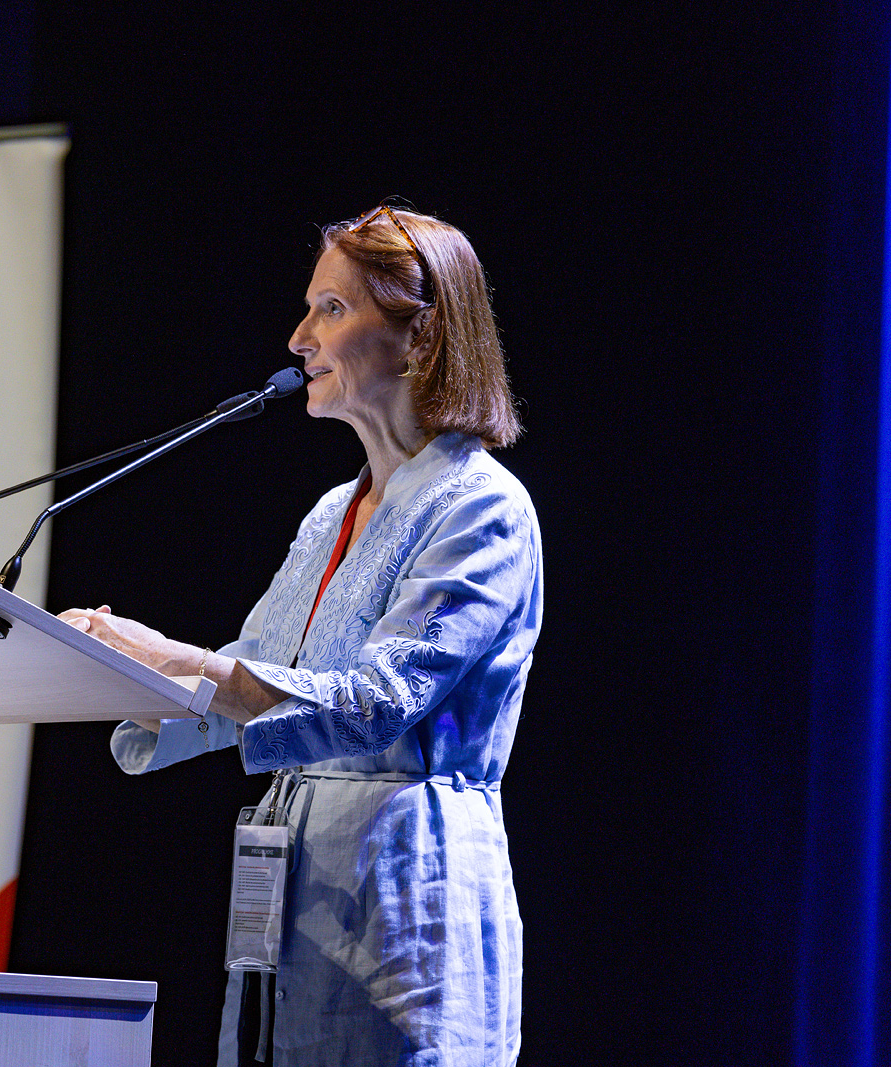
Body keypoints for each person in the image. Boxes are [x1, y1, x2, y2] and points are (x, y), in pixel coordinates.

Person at [59, 205, 542, 1067]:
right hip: (296, 903)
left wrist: (172, 658)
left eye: (332, 309)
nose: (297, 338)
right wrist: (109, 665)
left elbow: (376, 701)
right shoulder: (330, 515)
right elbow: (246, 678)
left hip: (407, 895)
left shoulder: (483, 508)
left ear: (420, 335)